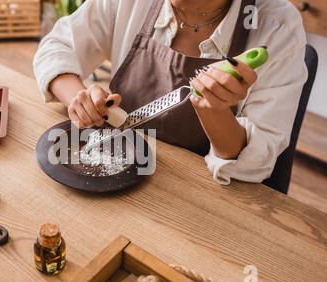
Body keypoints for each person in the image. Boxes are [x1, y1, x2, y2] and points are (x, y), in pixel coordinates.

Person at [33, 0, 307, 185]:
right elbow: (57, 45)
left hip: (202, 194)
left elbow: (254, 164)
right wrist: (79, 99)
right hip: (117, 167)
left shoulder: (278, 28)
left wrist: (215, 109)